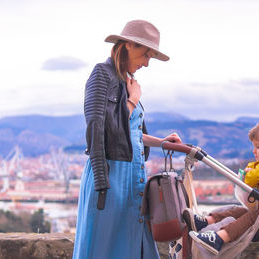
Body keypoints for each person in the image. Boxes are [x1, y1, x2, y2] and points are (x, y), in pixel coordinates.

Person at [73, 20, 182, 259]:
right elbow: (98, 128)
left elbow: (130, 133)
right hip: (110, 177)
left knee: (134, 245)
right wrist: (132, 100)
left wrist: (162, 142)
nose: (146, 63)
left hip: (133, 178)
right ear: (129, 45)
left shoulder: (126, 81)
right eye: (146, 55)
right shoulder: (101, 74)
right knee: (104, 246)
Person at [183, 117, 259, 255]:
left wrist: (249, 172)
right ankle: (207, 221)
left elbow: (252, 178)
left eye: (258, 147)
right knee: (238, 211)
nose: (254, 151)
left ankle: (220, 238)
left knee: (247, 218)